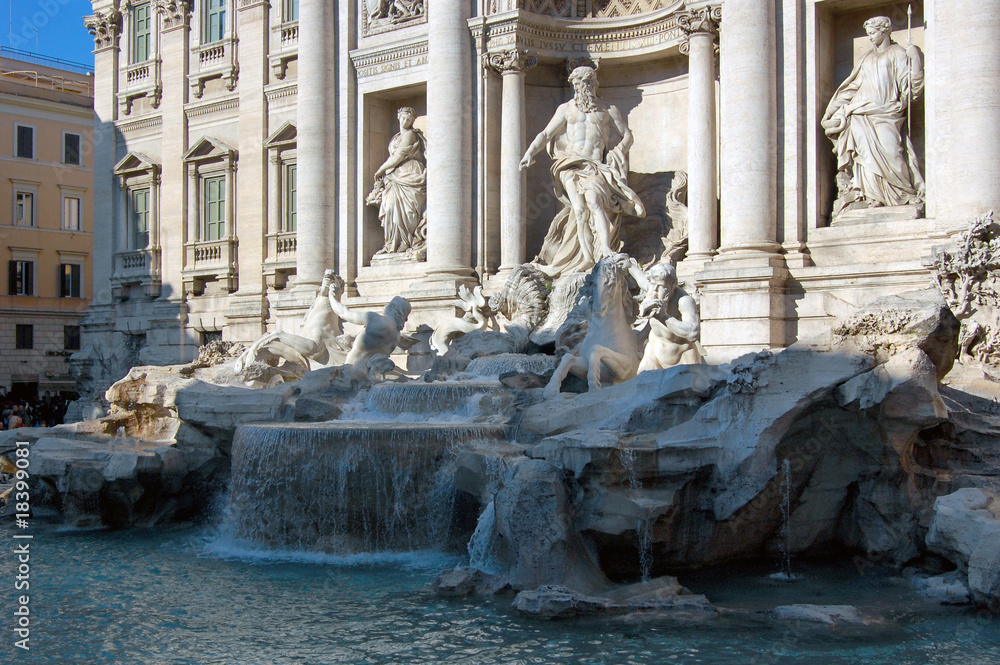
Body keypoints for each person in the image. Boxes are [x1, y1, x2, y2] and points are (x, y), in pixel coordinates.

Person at [520, 65, 645, 277]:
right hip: (569, 163)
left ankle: (604, 249)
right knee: (579, 209)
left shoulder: (608, 110)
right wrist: (530, 153)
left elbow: (627, 135)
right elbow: (546, 134)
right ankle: (587, 257)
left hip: (594, 165)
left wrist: (618, 151)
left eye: (585, 83)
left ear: (594, 84)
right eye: (577, 84)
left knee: (595, 202)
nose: (581, 88)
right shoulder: (566, 109)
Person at [821, 15, 924, 218]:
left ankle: (903, 193)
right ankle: (872, 196)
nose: (870, 37)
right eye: (868, 33)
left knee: (893, 150)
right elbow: (851, 88)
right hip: (860, 113)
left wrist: (916, 59)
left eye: (873, 33)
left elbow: (912, 89)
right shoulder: (866, 58)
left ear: (885, 31)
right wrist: (832, 111)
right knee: (865, 156)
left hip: (887, 112)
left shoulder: (898, 53)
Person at [367, 107, 427, 256]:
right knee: (389, 207)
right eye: (403, 118)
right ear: (398, 118)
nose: (405, 121)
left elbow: (399, 155)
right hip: (395, 175)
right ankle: (392, 243)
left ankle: (406, 241)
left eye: (409, 119)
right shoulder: (395, 137)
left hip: (409, 172)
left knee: (408, 210)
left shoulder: (411, 134)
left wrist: (381, 169)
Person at [327, 276, 411, 371]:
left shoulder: (375, 319)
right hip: (368, 376)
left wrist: (331, 295)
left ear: (392, 307)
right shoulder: (396, 337)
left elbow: (344, 313)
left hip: (351, 369)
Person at [635, 262, 703, 372]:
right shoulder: (653, 289)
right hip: (654, 352)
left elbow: (693, 333)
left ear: (672, 285)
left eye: (661, 286)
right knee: (641, 384)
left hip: (682, 355)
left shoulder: (684, 301)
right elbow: (641, 279)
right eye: (653, 284)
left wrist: (664, 317)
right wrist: (627, 264)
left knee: (691, 387)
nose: (655, 290)